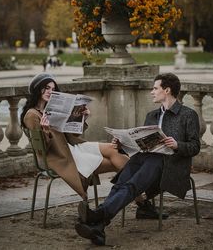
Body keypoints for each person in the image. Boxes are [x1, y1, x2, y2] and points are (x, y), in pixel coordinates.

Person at [75, 73, 201, 246]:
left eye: (155, 88)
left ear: (167, 90)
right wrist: (121, 145)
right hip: (147, 159)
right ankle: (98, 226)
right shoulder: (152, 115)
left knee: (132, 184)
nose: (152, 92)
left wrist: (177, 145)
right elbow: (140, 146)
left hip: (171, 165)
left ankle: (98, 215)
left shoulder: (188, 115)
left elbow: (195, 147)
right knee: (123, 182)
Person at [20, 73, 130, 201]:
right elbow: (41, 150)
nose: (50, 91)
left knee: (114, 149)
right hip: (61, 156)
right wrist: (45, 129)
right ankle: (141, 202)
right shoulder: (31, 115)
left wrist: (82, 117)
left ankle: (137, 199)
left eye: (53, 89)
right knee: (116, 162)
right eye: (46, 88)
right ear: (37, 89)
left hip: (73, 147)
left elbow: (71, 135)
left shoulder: (51, 109)